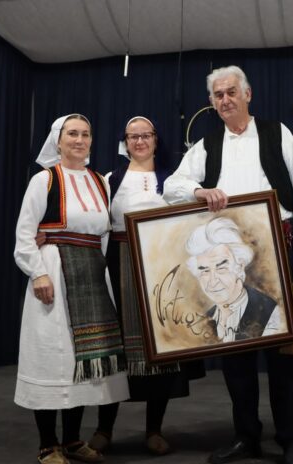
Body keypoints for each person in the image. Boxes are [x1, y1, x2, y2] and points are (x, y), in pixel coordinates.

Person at [163, 65, 293, 464]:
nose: (225, 100)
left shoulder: (276, 133)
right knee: (235, 350)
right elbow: (171, 188)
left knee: (282, 350)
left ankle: (291, 438)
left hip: (276, 247)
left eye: (231, 92)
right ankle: (246, 436)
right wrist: (200, 191)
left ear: (247, 94)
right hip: (226, 256)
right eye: (218, 95)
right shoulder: (207, 145)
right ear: (212, 102)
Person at [87, 116, 205, 456]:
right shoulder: (110, 180)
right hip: (119, 264)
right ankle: (104, 429)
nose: (139, 141)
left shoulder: (173, 180)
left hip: (160, 266)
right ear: (124, 142)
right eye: (133, 136)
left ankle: (154, 429)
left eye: (146, 135)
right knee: (115, 347)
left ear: (156, 139)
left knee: (160, 347)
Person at [14, 114, 129, 464]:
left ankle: (73, 440)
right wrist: (39, 274)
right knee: (54, 357)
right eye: (72, 134)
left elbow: (104, 234)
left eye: (85, 134)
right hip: (55, 274)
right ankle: (48, 444)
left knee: (83, 360)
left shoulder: (100, 181)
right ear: (58, 141)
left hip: (92, 276)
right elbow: (24, 234)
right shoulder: (44, 180)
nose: (79, 140)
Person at [185, 217, 286, 343]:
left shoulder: (270, 313)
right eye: (204, 271)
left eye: (221, 268)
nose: (212, 281)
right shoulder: (204, 322)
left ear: (240, 266)